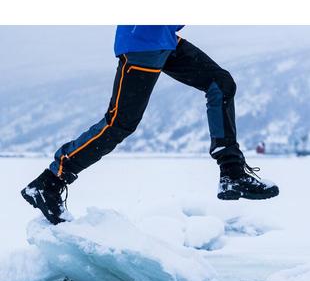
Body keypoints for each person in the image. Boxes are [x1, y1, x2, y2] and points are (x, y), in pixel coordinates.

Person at [21, 25, 279, 225]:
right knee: (119, 124)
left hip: (164, 38)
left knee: (221, 84)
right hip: (143, 39)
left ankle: (232, 174)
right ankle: (50, 181)